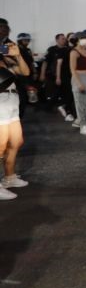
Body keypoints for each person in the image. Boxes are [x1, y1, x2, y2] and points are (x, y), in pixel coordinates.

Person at [0, 40, 31, 199]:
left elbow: (25, 72)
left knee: (16, 142)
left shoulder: (6, 60)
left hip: (12, 102)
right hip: (0, 105)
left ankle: (9, 178)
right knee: (0, 145)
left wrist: (18, 55)